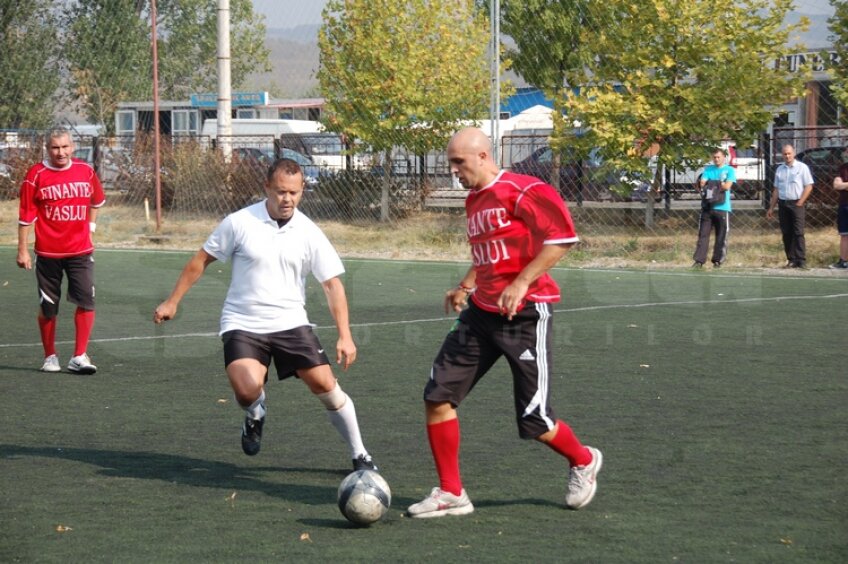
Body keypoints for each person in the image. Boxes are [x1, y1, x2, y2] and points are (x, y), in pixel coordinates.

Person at [407, 128, 601, 519]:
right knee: (437, 396)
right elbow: (490, 255)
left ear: (482, 156)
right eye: (450, 163)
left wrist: (522, 281)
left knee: (535, 420)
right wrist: (465, 285)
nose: (454, 171)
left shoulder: (525, 190)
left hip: (525, 315)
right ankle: (451, 492)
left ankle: (582, 460)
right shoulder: (475, 199)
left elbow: (562, 238)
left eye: (458, 162)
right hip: (480, 314)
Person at [153, 158, 377, 471]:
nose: (288, 199)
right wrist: (172, 301)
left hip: (291, 323)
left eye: (295, 193)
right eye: (281, 191)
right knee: (246, 389)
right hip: (242, 322)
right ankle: (255, 411)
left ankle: (360, 454)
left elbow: (332, 285)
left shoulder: (309, 232)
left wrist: (345, 335)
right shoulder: (239, 222)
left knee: (326, 387)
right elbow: (200, 260)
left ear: (302, 192)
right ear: (267, 188)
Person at [16, 127, 106, 374]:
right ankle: (49, 357)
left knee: (87, 300)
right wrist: (23, 249)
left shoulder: (85, 171)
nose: (61, 152)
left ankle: (79, 356)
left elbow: (96, 201)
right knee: (48, 307)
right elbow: (26, 216)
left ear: (72, 147)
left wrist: (90, 229)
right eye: (55, 147)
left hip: (80, 251)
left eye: (65, 147)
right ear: (47, 148)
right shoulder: (36, 174)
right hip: (48, 253)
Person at [766, 144, 814, 268]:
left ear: (794, 153)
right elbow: (776, 189)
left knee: (798, 232)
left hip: (797, 202)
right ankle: (791, 259)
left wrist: (800, 202)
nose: (787, 156)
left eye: (789, 153)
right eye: (785, 154)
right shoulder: (780, 169)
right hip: (783, 203)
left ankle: (801, 259)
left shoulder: (802, 168)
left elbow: (808, 186)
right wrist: (771, 207)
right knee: (786, 232)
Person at [692, 148, 736, 268]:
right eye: (714, 157)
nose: (716, 159)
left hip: (723, 207)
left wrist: (712, 183)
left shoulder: (729, 170)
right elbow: (702, 183)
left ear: (723, 158)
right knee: (703, 235)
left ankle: (717, 260)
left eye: (719, 157)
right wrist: (719, 183)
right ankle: (699, 261)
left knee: (721, 235)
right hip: (707, 206)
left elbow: (727, 186)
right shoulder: (708, 169)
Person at [829, 147, 848, 270]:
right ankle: (843, 261)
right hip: (844, 205)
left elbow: (841, 185)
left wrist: (844, 185)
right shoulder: (843, 168)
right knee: (844, 235)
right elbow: (836, 184)